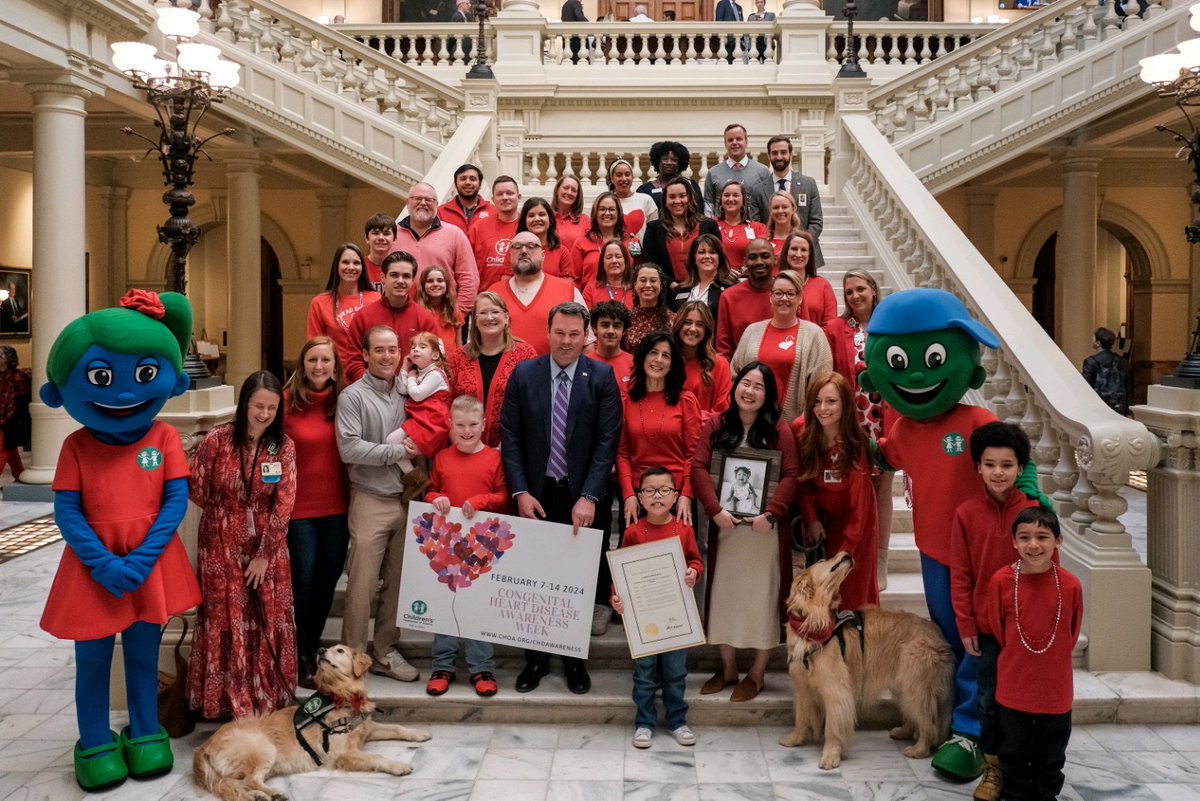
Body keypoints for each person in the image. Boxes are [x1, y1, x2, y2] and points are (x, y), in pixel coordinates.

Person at [857, 289, 1050, 781]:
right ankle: (946, 720)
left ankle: (971, 730)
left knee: (980, 639)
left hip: (985, 552)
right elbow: (886, 455)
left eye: (932, 359)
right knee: (950, 636)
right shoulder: (902, 429)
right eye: (898, 363)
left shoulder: (976, 421)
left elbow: (1012, 464)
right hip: (934, 551)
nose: (917, 375)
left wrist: (1032, 500)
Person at [38, 290, 199, 790]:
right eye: (102, 378)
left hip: (148, 566)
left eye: (145, 375)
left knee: (143, 655)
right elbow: (67, 509)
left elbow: (175, 502)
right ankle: (94, 741)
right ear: (60, 390)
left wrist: (141, 559)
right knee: (91, 660)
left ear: (171, 380)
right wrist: (104, 564)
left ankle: (147, 733)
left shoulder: (164, 438)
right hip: (92, 572)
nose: (125, 392)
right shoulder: (75, 446)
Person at [500, 302, 623, 695]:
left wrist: (589, 496)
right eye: (559, 333)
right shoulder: (524, 374)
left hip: (583, 498)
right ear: (548, 331)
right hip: (535, 497)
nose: (566, 341)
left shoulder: (601, 377)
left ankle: (574, 661)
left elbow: (607, 442)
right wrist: (519, 492)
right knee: (535, 582)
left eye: (574, 334)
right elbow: (511, 437)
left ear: (586, 336)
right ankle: (534, 660)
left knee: (579, 583)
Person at [189, 370, 298, 720]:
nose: (264, 414)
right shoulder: (218, 441)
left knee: (268, 614)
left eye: (271, 407)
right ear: (244, 404)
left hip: (269, 547)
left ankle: (264, 694)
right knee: (224, 616)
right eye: (257, 406)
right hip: (220, 546)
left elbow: (284, 503)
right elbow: (198, 489)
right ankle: (224, 702)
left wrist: (264, 555)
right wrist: (228, 519)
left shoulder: (282, 446)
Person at [691, 361, 797, 702]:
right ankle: (728, 667)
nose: (749, 391)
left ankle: (757, 672)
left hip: (764, 533)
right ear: (735, 386)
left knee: (763, 598)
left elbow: (793, 475)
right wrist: (714, 509)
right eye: (745, 383)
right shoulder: (717, 425)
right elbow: (697, 466)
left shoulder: (778, 430)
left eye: (759, 386)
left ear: (768, 395)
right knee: (723, 595)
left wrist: (773, 512)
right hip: (727, 530)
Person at [950, 421, 1041, 801]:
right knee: (988, 701)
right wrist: (966, 622)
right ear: (978, 468)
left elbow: (1051, 571)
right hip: (986, 628)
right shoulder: (966, 513)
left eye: (1007, 464)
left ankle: (1026, 768)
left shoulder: (1035, 512)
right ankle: (993, 769)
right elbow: (961, 573)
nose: (998, 472)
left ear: (1020, 468)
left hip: (1027, 630)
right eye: (990, 464)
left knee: (1026, 702)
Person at [337, 326, 422, 683]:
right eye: (380, 351)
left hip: (407, 499)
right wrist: (396, 452)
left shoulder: (407, 394)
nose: (387, 356)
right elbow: (350, 449)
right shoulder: (352, 397)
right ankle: (352, 656)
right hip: (370, 498)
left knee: (399, 583)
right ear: (366, 355)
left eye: (393, 350)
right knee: (361, 584)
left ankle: (385, 650)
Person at [986, 507, 1082, 801]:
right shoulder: (1001, 582)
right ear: (1014, 543)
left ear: (1058, 541)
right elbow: (998, 630)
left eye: (1042, 537)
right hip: (1014, 690)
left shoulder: (1070, 586)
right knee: (1014, 754)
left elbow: (1071, 632)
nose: (1033, 545)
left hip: (1055, 692)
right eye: (1024, 537)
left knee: (1051, 758)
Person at [424, 395, 508, 699]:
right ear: (450, 425)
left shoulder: (495, 460)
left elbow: (504, 496)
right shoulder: (442, 458)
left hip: (483, 545)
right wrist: (435, 498)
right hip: (446, 544)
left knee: (477, 606)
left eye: (473, 424)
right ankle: (442, 664)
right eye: (460, 425)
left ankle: (481, 665)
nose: (467, 430)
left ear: (484, 424)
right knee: (446, 603)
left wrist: (482, 502)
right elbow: (430, 491)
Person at [611, 467, 701, 750]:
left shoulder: (684, 530)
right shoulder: (633, 532)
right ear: (639, 497)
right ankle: (644, 722)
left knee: (675, 672)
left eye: (664, 490)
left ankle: (677, 721)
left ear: (675, 497)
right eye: (649, 490)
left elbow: (696, 561)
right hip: (643, 619)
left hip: (676, 618)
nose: (657, 496)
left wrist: (693, 574)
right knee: (644, 672)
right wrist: (616, 597)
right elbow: (620, 573)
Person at [281, 337, 349, 691]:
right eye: (312, 359)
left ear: (335, 366)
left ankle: (312, 643)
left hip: (338, 507)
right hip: (299, 510)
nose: (319, 366)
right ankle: (301, 653)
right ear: (302, 363)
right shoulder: (286, 400)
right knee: (303, 583)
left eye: (326, 360)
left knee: (327, 581)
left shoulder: (344, 402)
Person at [824, 267, 894, 588]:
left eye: (860, 289)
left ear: (873, 290)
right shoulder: (835, 329)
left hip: (885, 419)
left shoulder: (891, 326)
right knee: (855, 489)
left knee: (881, 490)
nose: (854, 296)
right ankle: (854, 557)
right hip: (852, 423)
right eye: (849, 291)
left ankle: (880, 562)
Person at [793, 371, 879, 610]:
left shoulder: (856, 444)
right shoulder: (800, 430)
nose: (823, 408)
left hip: (855, 523)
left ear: (845, 404)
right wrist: (811, 519)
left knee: (850, 588)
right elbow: (802, 483)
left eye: (831, 401)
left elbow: (859, 508)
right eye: (817, 402)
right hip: (820, 519)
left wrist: (844, 554)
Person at [618, 331, 701, 527]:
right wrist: (628, 494)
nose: (658, 360)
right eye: (654, 353)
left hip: (676, 495)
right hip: (639, 495)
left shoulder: (685, 401)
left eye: (666, 355)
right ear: (643, 357)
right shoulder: (625, 401)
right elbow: (622, 453)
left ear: (673, 364)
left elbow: (693, 454)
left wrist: (686, 495)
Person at [731, 268, 833, 422]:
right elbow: (734, 374)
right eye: (778, 293)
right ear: (770, 297)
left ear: (800, 298)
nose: (784, 298)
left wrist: (805, 420)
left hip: (796, 425)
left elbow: (822, 384)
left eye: (791, 293)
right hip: (749, 422)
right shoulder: (752, 331)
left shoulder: (814, 335)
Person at [449, 291, 538, 447]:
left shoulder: (526, 354)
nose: (489, 317)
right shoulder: (458, 357)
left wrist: (508, 446)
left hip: (509, 449)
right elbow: (445, 402)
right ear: (475, 320)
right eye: (483, 313)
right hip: (463, 447)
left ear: (506, 318)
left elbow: (533, 403)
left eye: (495, 312)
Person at [344, 251, 438, 383]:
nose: (400, 281)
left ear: (412, 281)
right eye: (394, 275)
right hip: (370, 395)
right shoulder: (362, 317)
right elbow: (353, 362)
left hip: (413, 396)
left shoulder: (425, 319)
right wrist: (373, 389)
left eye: (406, 276)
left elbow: (433, 364)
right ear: (383, 277)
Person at [491, 230, 587, 355]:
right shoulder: (494, 293)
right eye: (517, 247)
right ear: (510, 256)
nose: (524, 251)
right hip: (504, 373)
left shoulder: (568, 290)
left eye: (531, 246)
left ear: (543, 255)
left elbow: (587, 343)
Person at [395, 182, 479, 317]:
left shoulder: (454, 234)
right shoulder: (392, 235)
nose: (423, 203)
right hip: (400, 315)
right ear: (407, 202)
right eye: (417, 198)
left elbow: (469, 279)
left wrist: (457, 315)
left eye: (429, 200)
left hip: (445, 317)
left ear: (436, 204)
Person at [386, 331, 452, 500]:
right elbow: (402, 389)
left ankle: (420, 483)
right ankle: (419, 482)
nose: (415, 350)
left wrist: (410, 377)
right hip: (421, 420)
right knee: (395, 443)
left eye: (422, 347)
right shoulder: (418, 373)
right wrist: (405, 368)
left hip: (432, 422)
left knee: (394, 442)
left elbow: (416, 394)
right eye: (413, 346)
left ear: (435, 355)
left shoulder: (436, 374)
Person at [307, 243, 382, 377]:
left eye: (356, 263)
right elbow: (315, 345)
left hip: (370, 376)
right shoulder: (319, 302)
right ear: (337, 266)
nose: (351, 267)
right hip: (334, 376)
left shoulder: (376, 299)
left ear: (363, 268)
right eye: (345, 262)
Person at [644, 177, 721, 285]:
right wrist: (671, 284)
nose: (677, 201)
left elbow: (718, 258)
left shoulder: (709, 225)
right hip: (669, 292)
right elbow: (651, 264)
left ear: (689, 198)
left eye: (682, 196)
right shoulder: (653, 229)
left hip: (704, 288)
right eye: (672, 197)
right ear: (665, 201)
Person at [767, 136, 824, 269]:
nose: (779, 156)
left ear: (791, 154)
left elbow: (816, 222)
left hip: (805, 258)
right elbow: (757, 223)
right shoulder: (759, 188)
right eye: (774, 153)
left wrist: (801, 244)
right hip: (772, 259)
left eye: (783, 152)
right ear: (769, 156)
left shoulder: (808, 184)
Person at [715, 238, 776, 358]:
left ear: (775, 259)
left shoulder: (788, 293)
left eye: (765, 256)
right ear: (745, 262)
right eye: (752, 257)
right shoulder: (729, 297)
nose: (759, 262)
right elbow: (724, 346)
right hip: (742, 372)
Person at [674, 300, 732, 423]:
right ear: (678, 325)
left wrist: (689, 419)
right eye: (687, 322)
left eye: (700, 324)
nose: (693, 329)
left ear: (706, 331)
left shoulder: (720, 365)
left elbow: (722, 411)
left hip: (705, 435)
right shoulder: (666, 361)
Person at [570, 192, 642, 289]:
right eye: (602, 209)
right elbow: (574, 280)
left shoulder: (632, 242)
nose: (607, 213)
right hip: (590, 300)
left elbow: (640, 273)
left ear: (618, 213)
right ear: (595, 213)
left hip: (625, 300)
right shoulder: (581, 243)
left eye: (612, 209)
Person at [702, 124, 771, 222]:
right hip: (722, 233)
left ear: (746, 141)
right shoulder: (713, 173)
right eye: (730, 140)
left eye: (739, 139)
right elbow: (708, 208)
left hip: (754, 232)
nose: (734, 143)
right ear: (725, 143)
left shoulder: (763, 171)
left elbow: (767, 205)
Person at [668, 232, 734, 322]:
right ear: (694, 258)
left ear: (720, 258)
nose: (707, 256)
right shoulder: (679, 290)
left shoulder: (731, 289)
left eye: (712, 252)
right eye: (701, 252)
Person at [472, 176, 522, 289]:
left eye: (509, 193)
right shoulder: (478, 227)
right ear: (493, 199)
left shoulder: (528, 226)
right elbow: (467, 266)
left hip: (521, 295)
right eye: (499, 194)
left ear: (518, 197)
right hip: (485, 297)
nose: (505, 197)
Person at [779, 230, 836, 326]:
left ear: (810, 255)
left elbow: (830, 325)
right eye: (794, 248)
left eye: (804, 250)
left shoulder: (823, 285)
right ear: (786, 252)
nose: (798, 254)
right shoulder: (775, 285)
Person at [713, 180, 769, 276]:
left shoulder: (758, 228)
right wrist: (721, 270)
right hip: (716, 279)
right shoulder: (710, 224)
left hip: (747, 279)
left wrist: (742, 270)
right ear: (721, 200)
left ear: (743, 200)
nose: (731, 199)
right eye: (726, 195)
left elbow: (763, 256)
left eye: (736, 195)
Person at [637, 141, 702, 215]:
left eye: (674, 160)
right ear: (657, 161)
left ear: (680, 163)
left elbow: (699, 213)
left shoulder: (691, 186)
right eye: (664, 159)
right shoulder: (644, 190)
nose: (669, 163)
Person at [624, 263, 675, 354]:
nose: (648, 285)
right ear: (635, 285)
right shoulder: (626, 319)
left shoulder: (673, 319)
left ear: (661, 285)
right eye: (643, 280)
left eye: (653, 280)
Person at [516, 197, 571, 280]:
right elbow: (507, 284)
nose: (537, 219)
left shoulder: (562, 252)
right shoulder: (514, 251)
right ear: (525, 222)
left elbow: (567, 287)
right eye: (531, 215)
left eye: (542, 214)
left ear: (550, 220)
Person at [589, 300, 635, 397]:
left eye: (616, 326)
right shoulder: (583, 364)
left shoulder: (634, 365)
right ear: (594, 328)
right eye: (605, 325)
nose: (610, 331)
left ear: (624, 331)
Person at [1082, 326, 1131, 415]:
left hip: (1098, 407)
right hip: (1118, 405)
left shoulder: (1090, 362)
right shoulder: (1122, 362)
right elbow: (1128, 386)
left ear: (1098, 343)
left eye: (1093, 339)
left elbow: (1085, 387)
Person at [608, 158, 659, 243]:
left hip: (642, 254)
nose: (624, 179)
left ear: (632, 177)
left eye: (627, 174)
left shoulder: (646, 200)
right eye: (619, 175)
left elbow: (655, 232)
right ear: (612, 179)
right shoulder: (607, 202)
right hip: (615, 254)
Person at [414, 264, 462, 351]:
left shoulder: (453, 309)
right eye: (430, 281)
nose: (435, 284)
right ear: (423, 286)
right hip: (427, 362)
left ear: (446, 284)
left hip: (451, 362)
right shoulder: (417, 311)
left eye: (440, 280)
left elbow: (459, 344)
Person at [0, 345, 29, 480]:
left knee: (4, 449)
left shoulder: (17, 376)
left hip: (10, 420)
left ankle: (19, 475)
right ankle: (20, 475)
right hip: (7, 419)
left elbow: (21, 400)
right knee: (11, 452)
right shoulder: (4, 375)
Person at [581, 239, 635, 311]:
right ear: (602, 263)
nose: (614, 261)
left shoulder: (636, 289)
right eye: (609, 257)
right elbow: (585, 319)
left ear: (625, 261)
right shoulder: (591, 289)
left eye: (618, 256)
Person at [437, 164, 493, 232]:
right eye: (463, 179)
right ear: (455, 184)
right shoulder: (440, 213)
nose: (468, 182)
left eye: (473, 179)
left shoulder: (493, 211)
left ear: (480, 184)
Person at [551, 174, 590, 254]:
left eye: (574, 190)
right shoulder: (546, 218)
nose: (569, 192)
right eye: (566, 188)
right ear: (557, 191)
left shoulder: (585, 221)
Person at [362, 212, 397, 290]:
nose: (381, 237)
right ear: (367, 238)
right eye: (375, 233)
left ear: (394, 239)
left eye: (386, 234)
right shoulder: (359, 267)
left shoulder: (401, 269)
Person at [766, 191, 801, 256]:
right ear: (770, 210)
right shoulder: (763, 240)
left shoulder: (801, 240)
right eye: (776, 207)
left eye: (784, 207)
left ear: (793, 209)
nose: (780, 211)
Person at [561, 0, 588, 64]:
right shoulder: (576, 3)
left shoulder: (565, 5)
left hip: (566, 37)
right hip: (576, 38)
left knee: (569, 61)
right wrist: (587, 23)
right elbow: (579, 16)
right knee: (579, 61)